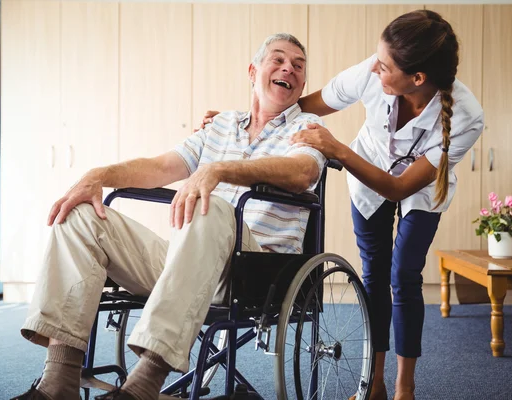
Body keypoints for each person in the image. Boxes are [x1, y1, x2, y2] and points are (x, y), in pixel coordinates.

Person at [11, 33, 326, 400]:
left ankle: (144, 385)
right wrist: (97, 176)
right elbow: (161, 166)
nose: (288, 68)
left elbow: (302, 172)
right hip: (185, 260)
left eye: (298, 66)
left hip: (253, 272)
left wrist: (222, 171)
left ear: (302, 83)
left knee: (210, 205)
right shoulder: (220, 125)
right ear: (253, 71)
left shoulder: (308, 128)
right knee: (81, 214)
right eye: (278, 59)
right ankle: (57, 383)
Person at [197, 9, 483, 400]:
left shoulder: (467, 116)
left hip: (416, 189)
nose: (374, 69)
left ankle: (405, 387)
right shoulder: (371, 71)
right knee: (375, 276)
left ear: (417, 78)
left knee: (405, 277)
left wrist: (338, 151)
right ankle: (375, 383)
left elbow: (400, 188)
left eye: (384, 66)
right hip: (367, 180)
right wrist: (239, 119)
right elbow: (298, 105)